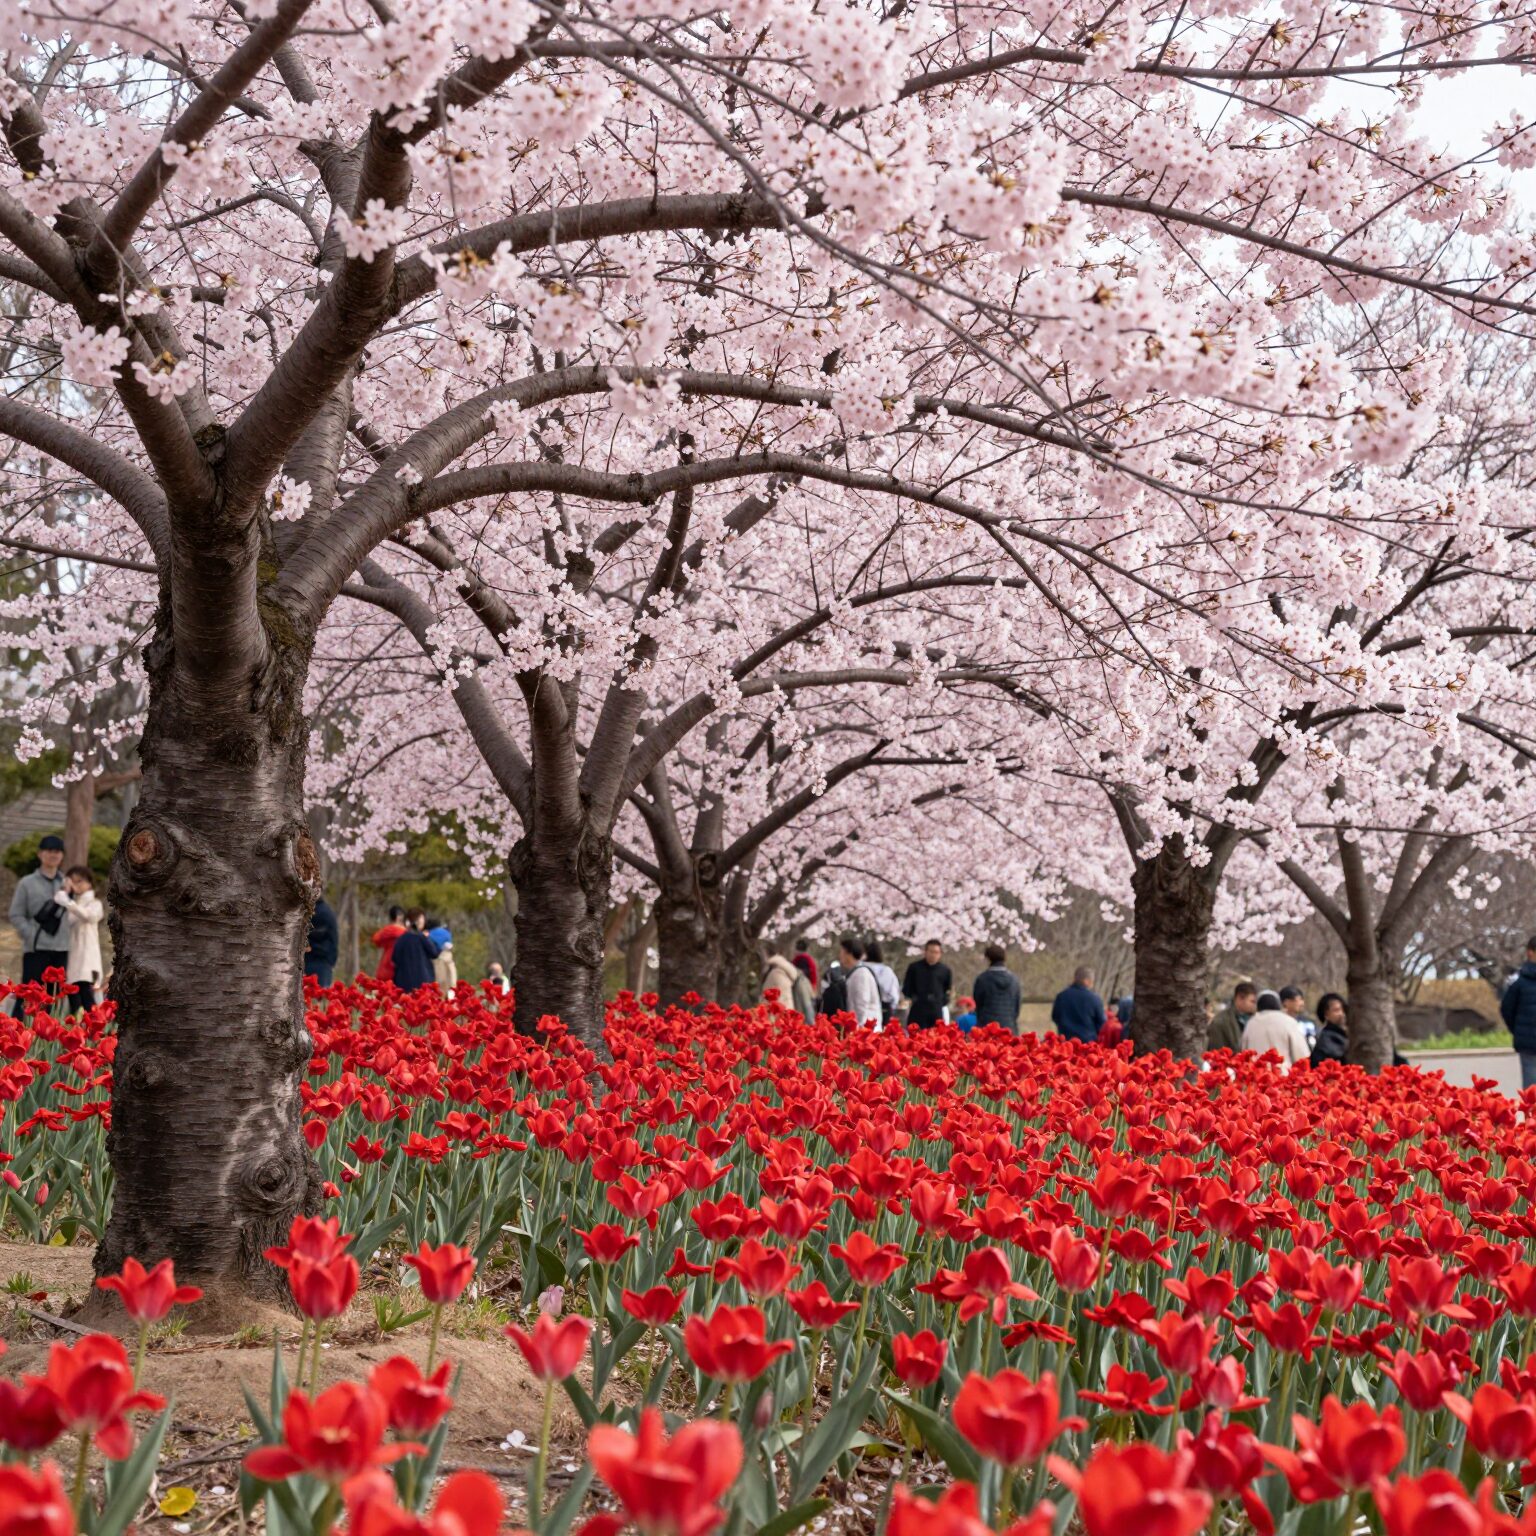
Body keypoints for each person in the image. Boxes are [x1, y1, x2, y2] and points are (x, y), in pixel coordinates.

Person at [8, 834, 69, 1002]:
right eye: (49, 850)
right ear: (40, 854)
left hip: (62, 950)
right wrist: (30, 933)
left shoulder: (68, 883)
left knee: (52, 1001)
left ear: (62, 855)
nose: (53, 855)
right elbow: (15, 914)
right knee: (27, 999)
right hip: (36, 950)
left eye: (57, 851)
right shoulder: (26, 883)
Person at [52, 865, 104, 1012]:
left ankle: (94, 1032)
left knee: (87, 996)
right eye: (73, 881)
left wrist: (69, 903)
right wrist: (66, 896)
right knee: (74, 1001)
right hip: (71, 958)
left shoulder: (95, 903)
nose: (77, 885)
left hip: (87, 958)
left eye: (80, 881)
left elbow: (89, 916)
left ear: (89, 883)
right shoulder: (69, 903)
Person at [1241, 988, 1311, 1068]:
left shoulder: (1251, 1023)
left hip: (1256, 1076)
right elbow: (1302, 1055)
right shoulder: (1288, 1021)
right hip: (1284, 1075)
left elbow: (1244, 1053)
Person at [1501, 938, 1536, 1090]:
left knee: (1530, 1091)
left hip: (1527, 1043)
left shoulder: (1518, 982)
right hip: (1527, 1042)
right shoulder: (1518, 982)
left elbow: (1507, 1009)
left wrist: (1518, 1029)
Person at [902, 940, 952, 1028]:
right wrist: (915, 998)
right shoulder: (914, 968)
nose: (933, 955)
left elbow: (947, 989)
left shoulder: (945, 970)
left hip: (936, 1009)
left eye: (936, 952)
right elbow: (907, 988)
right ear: (925, 952)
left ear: (940, 954)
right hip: (918, 1009)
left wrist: (941, 1001)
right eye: (931, 952)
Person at [761, 946, 816, 1027]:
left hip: (779, 1019)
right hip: (787, 1015)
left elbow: (778, 1000)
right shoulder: (785, 969)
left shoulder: (776, 973)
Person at [972, 944, 1022, 1032]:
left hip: (987, 1027)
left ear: (988, 958)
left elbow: (978, 1003)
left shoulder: (982, 979)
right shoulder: (1014, 980)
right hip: (1009, 1026)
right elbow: (1017, 1006)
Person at [1050, 965, 1106, 1043]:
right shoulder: (1094, 999)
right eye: (1091, 981)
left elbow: (1055, 1017)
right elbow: (1102, 1023)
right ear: (1087, 981)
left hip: (1065, 1043)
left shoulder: (1061, 996)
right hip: (1087, 1044)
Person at [390, 910, 439, 994]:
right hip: (423, 982)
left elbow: (395, 958)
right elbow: (434, 953)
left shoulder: (401, 939)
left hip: (403, 982)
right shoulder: (421, 937)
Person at [841, 936, 883, 1029]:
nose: (840, 955)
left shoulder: (861, 973)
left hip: (865, 1027)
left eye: (842, 951)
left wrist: (859, 1026)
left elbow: (862, 1002)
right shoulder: (857, 972)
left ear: (849, 954)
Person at [1208, 982, 1256, 1054]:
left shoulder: (1255, 1020)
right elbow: (1215, 1051)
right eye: (1252, 1001)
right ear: (1240, 998)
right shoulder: (1221, 1021)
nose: (1254, 1005)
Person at [304, 895, 339, 987]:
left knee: (316, 995)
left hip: (318, 961)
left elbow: (318, 934)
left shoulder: (320, 912)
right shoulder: (321, 910)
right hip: (321, 960)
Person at [864, 940, 900, 1025]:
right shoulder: (886, 971)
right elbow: (893, 993)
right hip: (883, 1008)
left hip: (863, 1007)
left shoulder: (859, 968)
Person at [371, 906, 408, 984]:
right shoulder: (405, 932)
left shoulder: (385, 931)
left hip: (385, 963)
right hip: (400, 965)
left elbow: (376, 940)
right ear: (399, 917)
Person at [427, 917, 457, 994]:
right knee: (451, 982)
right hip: (448, 957)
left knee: (440, 985)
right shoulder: (446, 932)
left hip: (437, 959)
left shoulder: (429, 934)